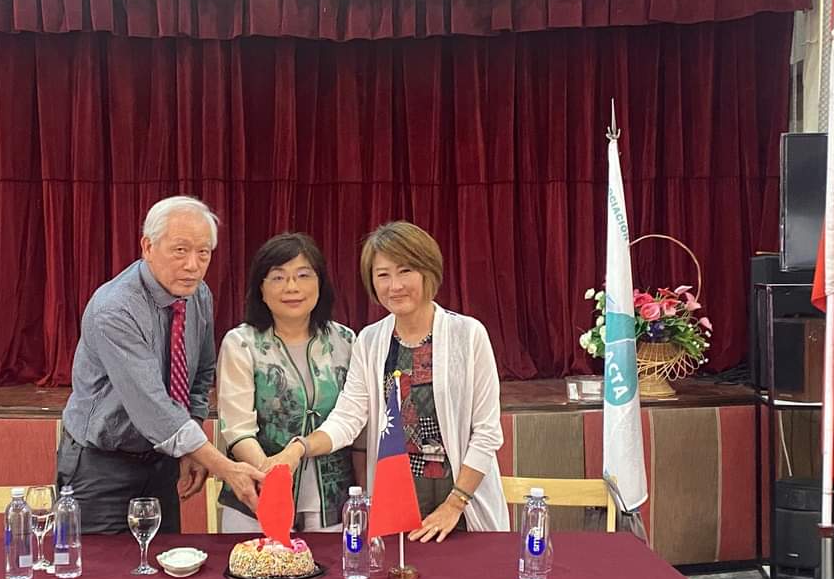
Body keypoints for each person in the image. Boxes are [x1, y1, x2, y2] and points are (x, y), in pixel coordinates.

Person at [262, 221, 509, 540]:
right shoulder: (370, 340)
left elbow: (487, 432)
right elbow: (349, 416)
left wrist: (455, 503)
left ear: (428, 271)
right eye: (383, 275)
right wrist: (301, 447)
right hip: (396, 494)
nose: (395, 286)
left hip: (462, 497)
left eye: (405, 271)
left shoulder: (468, 334)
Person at [58, 196, 263, 534]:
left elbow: (199, 377)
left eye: (204, 253)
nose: (193, 265)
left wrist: (191, 449)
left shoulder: (198, 295)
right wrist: (226, 468)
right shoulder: (115, 309)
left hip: (162, 460)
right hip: (101, 465)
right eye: (180, 250)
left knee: (163, 561)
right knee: (98, 567)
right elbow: (153, 408)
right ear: (148, 247)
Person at [217, 233, 358, 533]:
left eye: (303, 275)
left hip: (333, 501)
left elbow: (355, 419)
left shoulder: (345, 341)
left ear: (320, 283)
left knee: (331, 565)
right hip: (256, 498)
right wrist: (273, 480)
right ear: (261, 288)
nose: (291, 287)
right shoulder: (241, 343)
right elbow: (237, 429)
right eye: (278, 278)